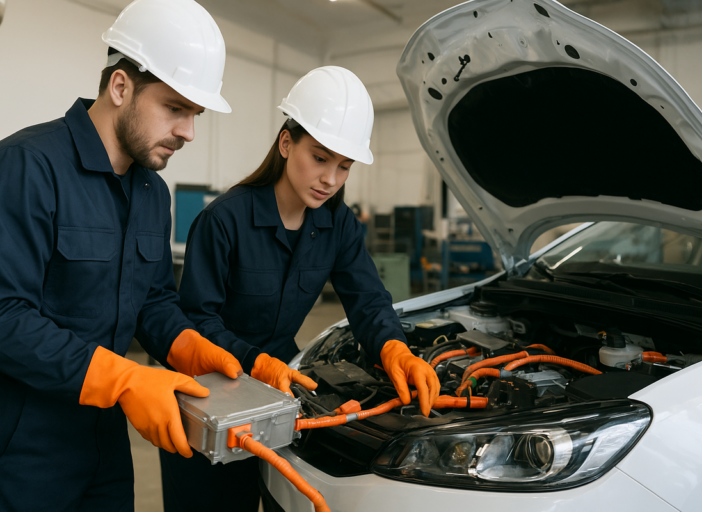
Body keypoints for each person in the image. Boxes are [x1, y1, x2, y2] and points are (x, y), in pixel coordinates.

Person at [160, 66, 441, 511]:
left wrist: (394, 348)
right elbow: (195, 322)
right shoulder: (224, 221)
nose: (330, 178)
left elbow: (367, 297)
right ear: (287, 143)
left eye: (344, 166)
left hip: (285, 392)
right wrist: (255, 362)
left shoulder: (338, 225)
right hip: (211, 394)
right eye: (320, 157)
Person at [0, 1, 243, 510]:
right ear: (120, 87)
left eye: (194, 114)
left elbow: (152, 301)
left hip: (107, 444)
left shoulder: (154, 194)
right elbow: (5, 316)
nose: (188, 132)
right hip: (23, 446)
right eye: (175, 108)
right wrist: (126, 378)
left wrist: (185, 346)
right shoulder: (28, 165)